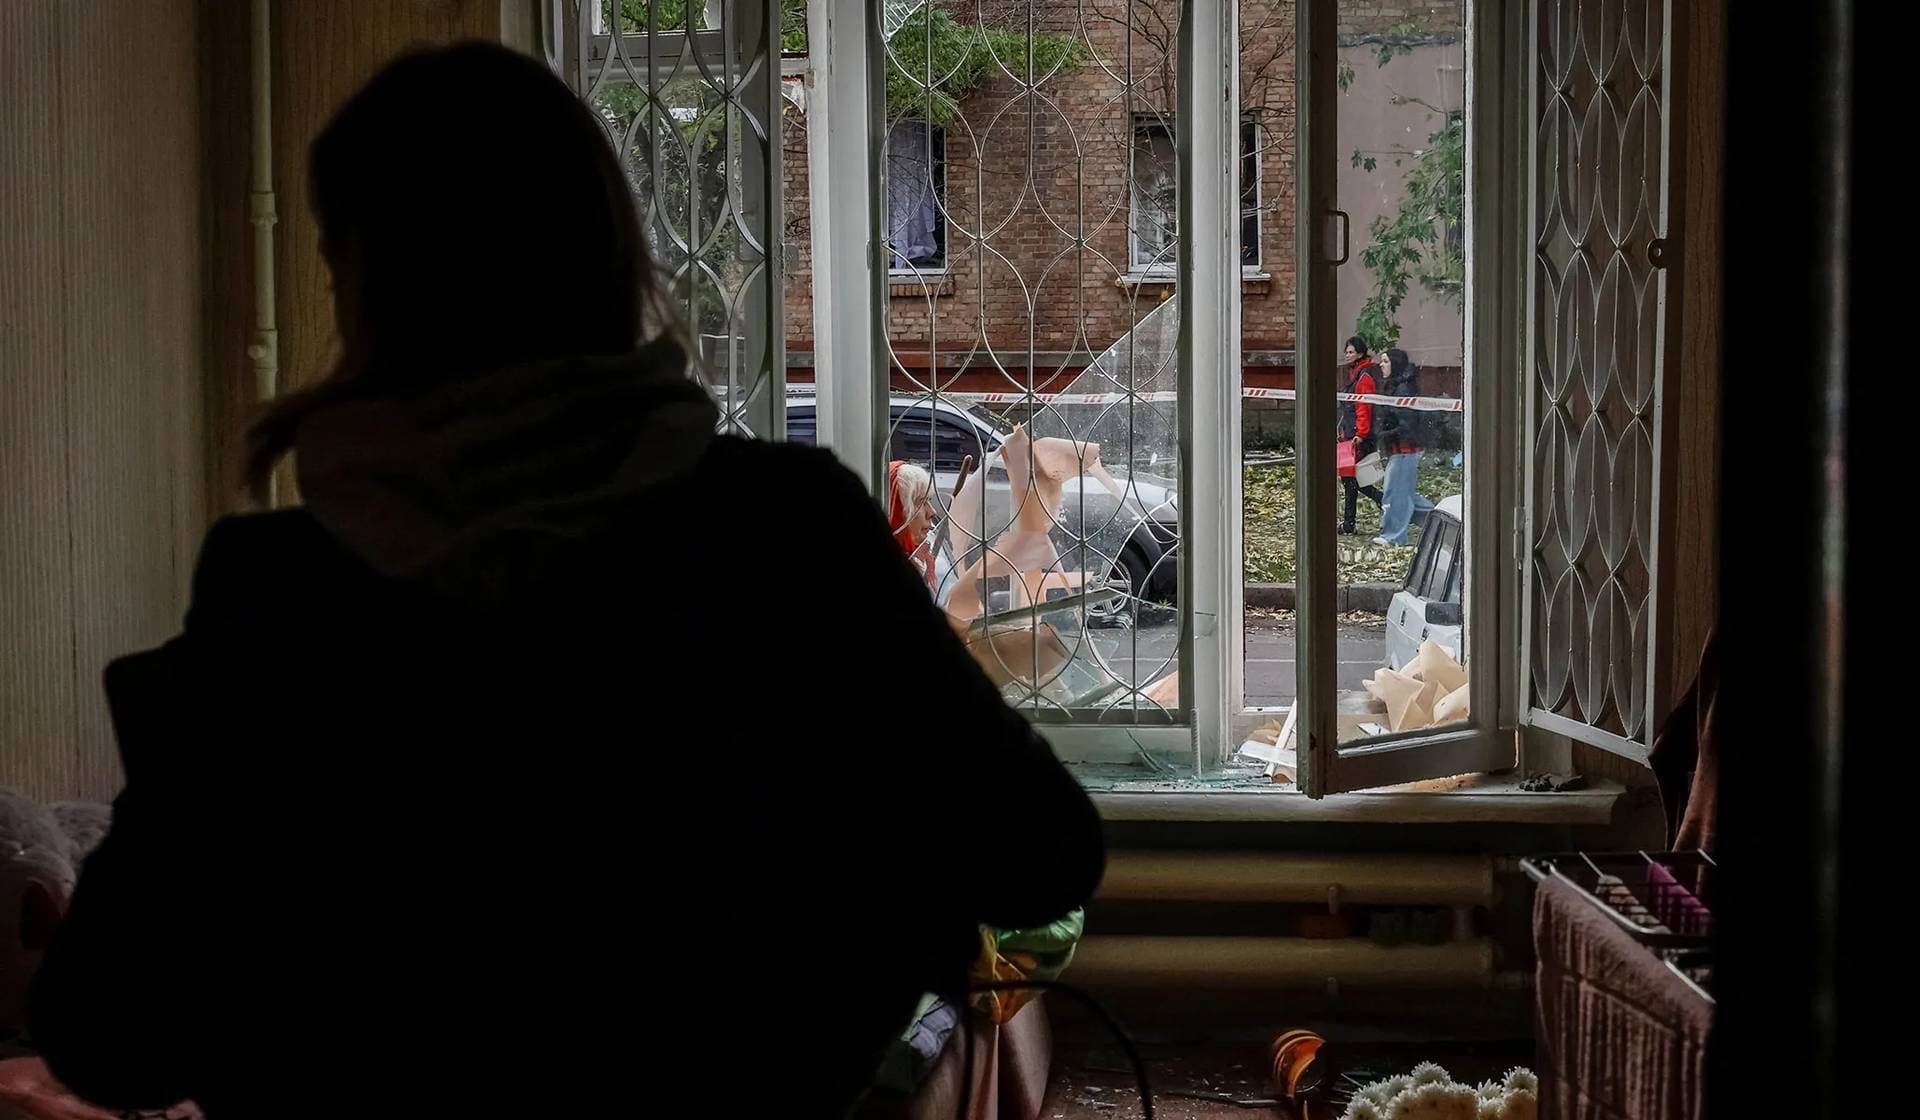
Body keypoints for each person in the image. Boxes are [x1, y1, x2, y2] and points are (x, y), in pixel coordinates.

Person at [29, 43, 1103, 1119]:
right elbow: (1042, 851)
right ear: (610, 264)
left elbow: (110, 1035)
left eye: (331, 262)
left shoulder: (284, 594)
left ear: (371, 283)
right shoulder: (784, 530)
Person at [1371, 348, 1436, 547]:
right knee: (1405, 494)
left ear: (1395, 364)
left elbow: (1407, 423)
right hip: (1399, 449)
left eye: (1385, 361)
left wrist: (1385, 435)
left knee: (1395, 493)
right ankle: (1443, 521)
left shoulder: (1403, 389)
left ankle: (1393, 536)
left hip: (1405, 450)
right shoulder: (1396, 386)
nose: (1381, 365)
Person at [1338, 337, 1382, 535]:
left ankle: (1350, 524)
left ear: (1360, 353)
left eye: (1351, 352)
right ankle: (1381, 501)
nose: (1347, 355)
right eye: (1346, 352)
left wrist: (1361, 434)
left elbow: (1363, 407)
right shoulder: (1356, 373)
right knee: (1351, 479)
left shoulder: (1364, 376)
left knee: (1351, 479)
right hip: (1350, 432)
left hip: (1358, 435)